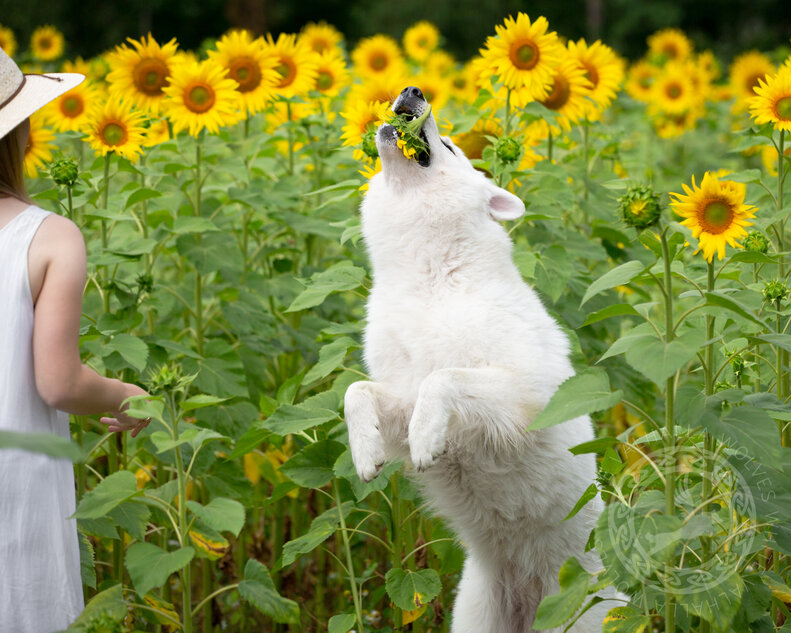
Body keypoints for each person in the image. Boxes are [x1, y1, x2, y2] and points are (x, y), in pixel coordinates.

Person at [0, 48, 150, 632]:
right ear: (22, 131)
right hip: (15, 495)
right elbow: (59, 383)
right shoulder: (48, 237)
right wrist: (126, 394)